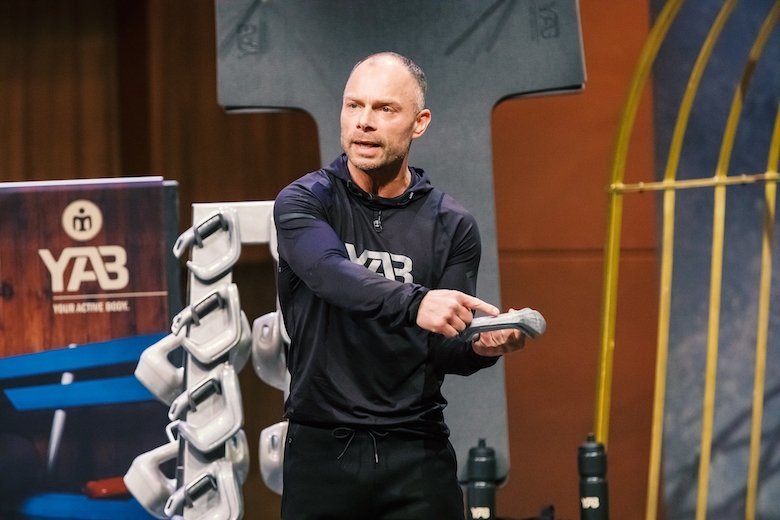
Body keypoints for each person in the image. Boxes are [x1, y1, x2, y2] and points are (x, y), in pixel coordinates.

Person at [273, 51, 528, 520]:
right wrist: (417, 302)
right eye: (354, 106)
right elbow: (329, 273)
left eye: (385, 109)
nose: (364, 123)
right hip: (322, 452)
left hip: (417, 453)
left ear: (419, 122)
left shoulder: (452, 225)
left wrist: (479, 348)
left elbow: (441, 351)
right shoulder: (304, 201)